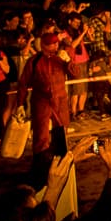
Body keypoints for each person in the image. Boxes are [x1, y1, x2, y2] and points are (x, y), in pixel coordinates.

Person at [16, 32, 78, 162]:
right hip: (41, 101)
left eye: (56, 43)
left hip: (60, 100)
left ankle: (62, 162)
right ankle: (41, 164)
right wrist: (20, 104)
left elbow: (76, 74)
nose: (56, 46)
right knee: (40, 135)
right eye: (52, 44)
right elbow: (23, 83)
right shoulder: (34, 61)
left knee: (61, 132)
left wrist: (68, 61)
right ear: (43, 45)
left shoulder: (61, 59)